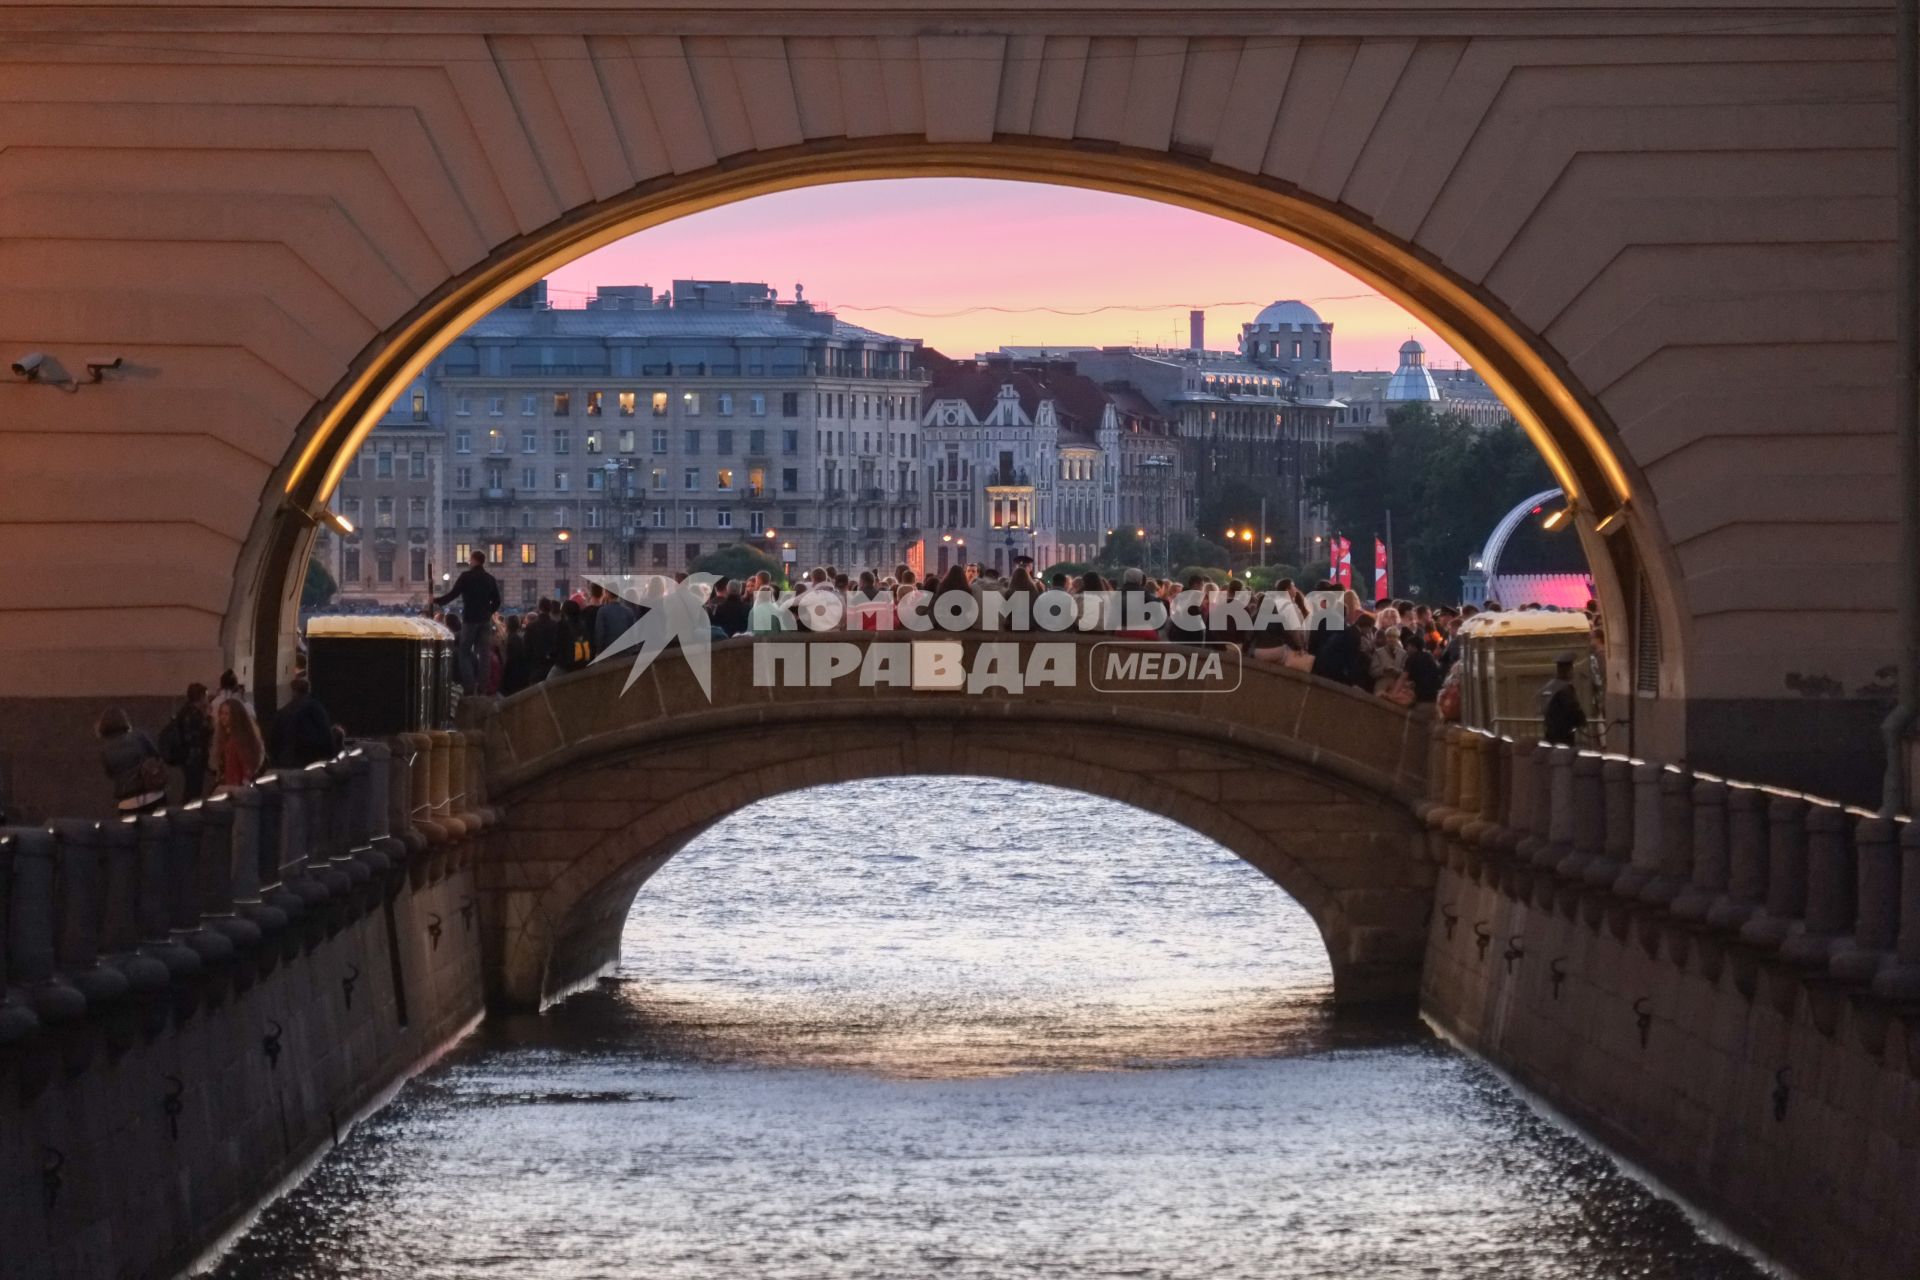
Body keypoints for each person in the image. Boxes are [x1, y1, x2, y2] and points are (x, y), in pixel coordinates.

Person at [433, 551, 502, 694]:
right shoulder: (490, 579)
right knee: (484, 654)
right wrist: (489, 611)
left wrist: (436, 601)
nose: (469, 562)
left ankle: (469, 687)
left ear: (475, 560)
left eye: (470, 559)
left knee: (464, 652)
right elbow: (497, 601)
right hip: (485, 620)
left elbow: (453, 594)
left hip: (470, 619)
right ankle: (483, 688)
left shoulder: (466, 577)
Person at [98, 707, 168, 814]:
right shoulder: (139, 736)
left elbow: (110, 773)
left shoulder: (105, 750)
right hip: (152, 795)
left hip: (127, 802)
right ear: (124, 720)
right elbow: (157, 755)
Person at [158, 681, 215, 801]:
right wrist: (209, 716)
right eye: (206, 696)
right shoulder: (194, 714)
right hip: (193, 758)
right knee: (193, 789)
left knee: (192, 788)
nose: (207, 699)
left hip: (188, 758)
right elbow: (204, 732)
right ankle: (189, 813)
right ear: (200, 697)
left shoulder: (185, 711)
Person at [268, 676, 337, 769]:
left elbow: (273, 738)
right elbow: (325, 733)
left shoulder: (283, 712)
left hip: (287, 762)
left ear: (293, 691)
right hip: (312, 761)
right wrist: (331, 755)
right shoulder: (316, 708)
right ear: (308, 690)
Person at [212, 697, 266, 788]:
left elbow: (246, 767)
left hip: (236, 787)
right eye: (221, 713)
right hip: (230, 784)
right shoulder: (227, 738)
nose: (222, 717)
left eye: (226, 714)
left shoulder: (238, 740)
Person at [1541, 651, 1588, 745]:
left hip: (1550, 732)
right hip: (1564, 734)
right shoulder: (1565, 688)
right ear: (1569, 669)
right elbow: (1573, 708)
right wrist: (1582, 721)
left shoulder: (1550, 685)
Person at [500, 614, 533, 695]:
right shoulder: (519, 637)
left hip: (513, 677)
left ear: (507, 625)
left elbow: (509, 659)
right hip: (521, 675)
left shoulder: (510, 639)